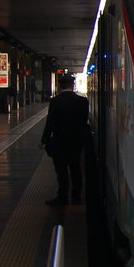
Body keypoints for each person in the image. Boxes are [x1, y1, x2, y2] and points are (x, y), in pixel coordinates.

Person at [39, 74, 89, 206]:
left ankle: (62, 197)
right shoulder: (83, 101)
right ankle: (77, 196)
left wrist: (44, 139)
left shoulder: (55, 101)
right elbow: (84, 122)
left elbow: (50, 122)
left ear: (60, 86)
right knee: (76, 168)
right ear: (72, 86)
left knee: (61, 170)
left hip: (59, 142)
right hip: (76, 142)